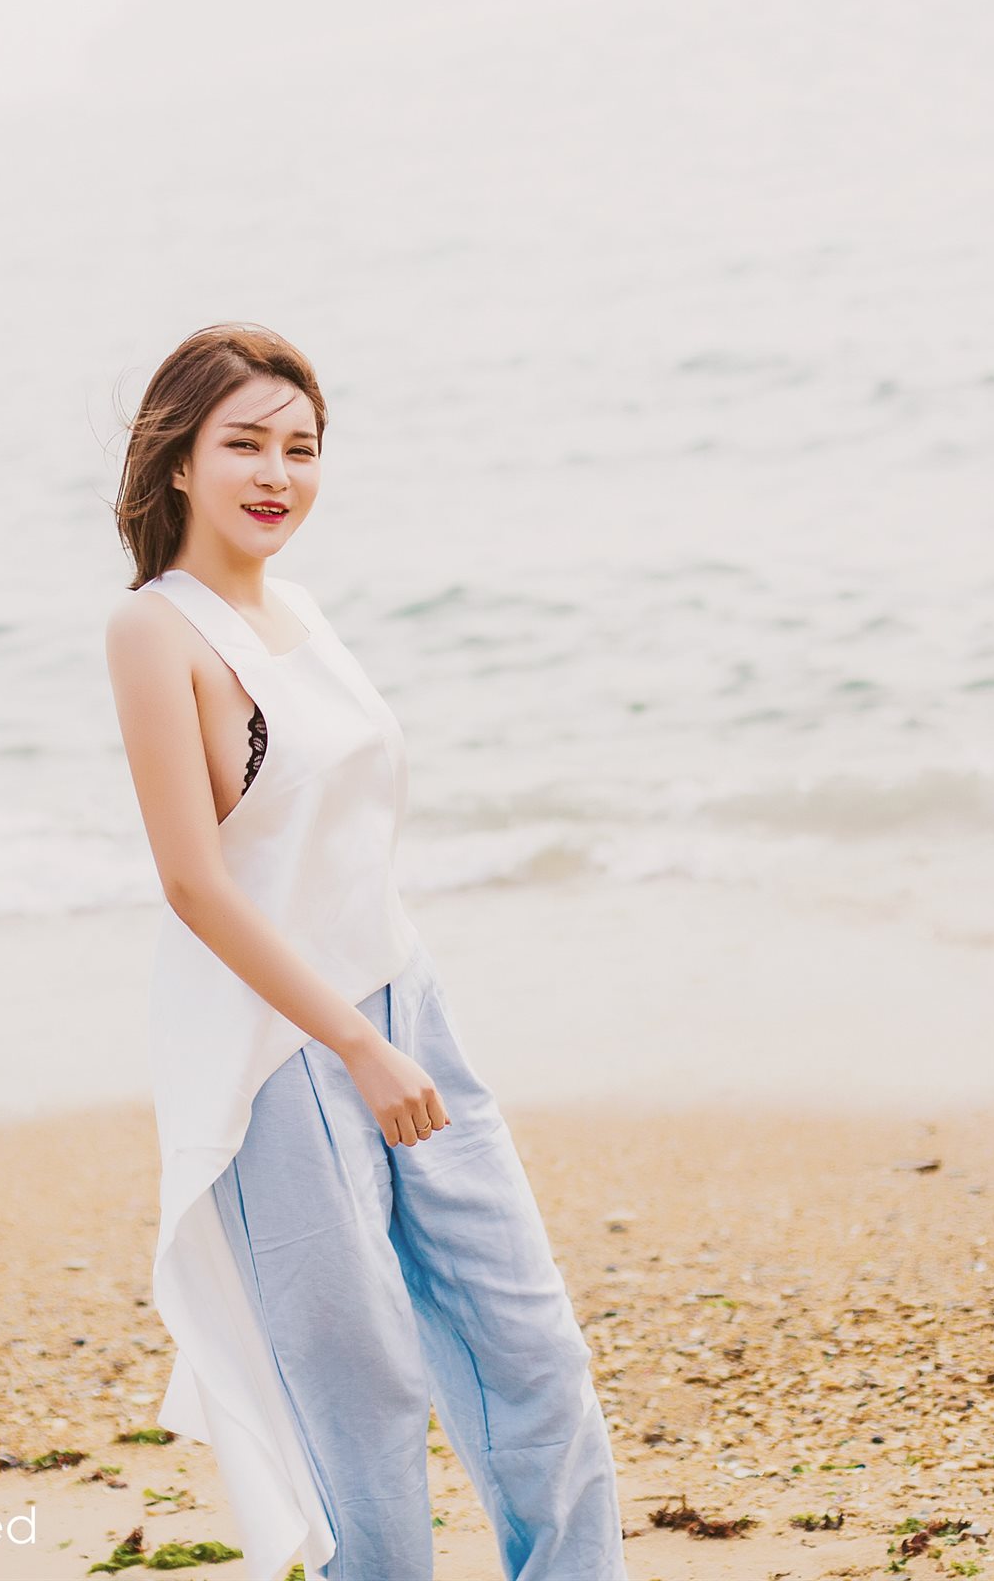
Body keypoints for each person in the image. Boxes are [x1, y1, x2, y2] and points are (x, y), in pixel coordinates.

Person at [103, 323, 630, 1581]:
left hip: (402, 1001)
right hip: (271, 1051)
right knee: (364, 1396)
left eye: (302, 447)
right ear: (179, 459)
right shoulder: (154, 630)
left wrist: (390, 1029)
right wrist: (352, 1043)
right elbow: (193, 881)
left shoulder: (300, 607)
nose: (277, 473)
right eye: (245, 444)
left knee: (530, 1345)